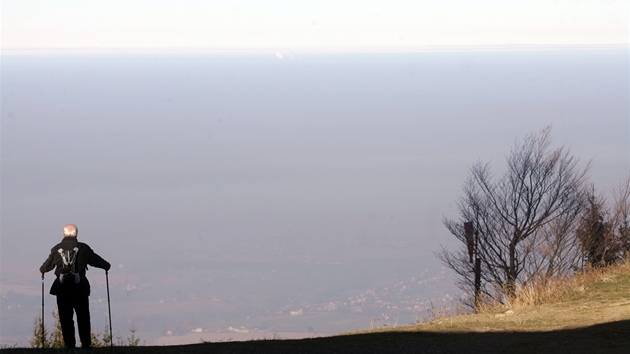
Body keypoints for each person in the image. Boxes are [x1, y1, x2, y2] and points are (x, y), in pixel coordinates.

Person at [40, 224, 110, 349]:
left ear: (64, 234)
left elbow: (46, 267)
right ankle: (86, 344)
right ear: (76, 234)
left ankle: (69, 344)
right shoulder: (84, 248)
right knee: (83, 316)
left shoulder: (56, 249)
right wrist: (106, 266)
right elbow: (97, 261)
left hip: (62, 289)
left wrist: (42, 270)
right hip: (80, 289)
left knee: (65, 317)